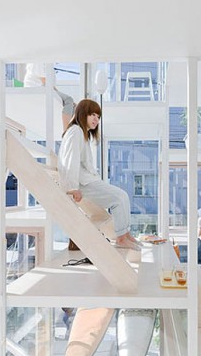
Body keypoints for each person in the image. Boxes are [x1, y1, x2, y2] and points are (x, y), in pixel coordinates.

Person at [57, 99, 140, 250]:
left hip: (86, 180)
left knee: (123, 197)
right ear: (83, 114)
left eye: (98, 116)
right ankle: (121, 238)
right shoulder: (75, 131)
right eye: (92, 115)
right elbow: (70, 160)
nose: (96, 119)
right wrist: (72, 187)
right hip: (82, 182)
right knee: (119, 198)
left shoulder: (81, 133)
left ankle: (126, 234)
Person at [24, 63, 75, 129]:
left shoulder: (47, 63)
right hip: (38, 88)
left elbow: (49, 84)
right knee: (69, 100)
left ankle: (70, 129)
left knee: (73, 106)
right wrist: (58, 94)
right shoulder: (39, 62)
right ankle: (66, 130)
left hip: (44, 88)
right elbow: (44, 80)